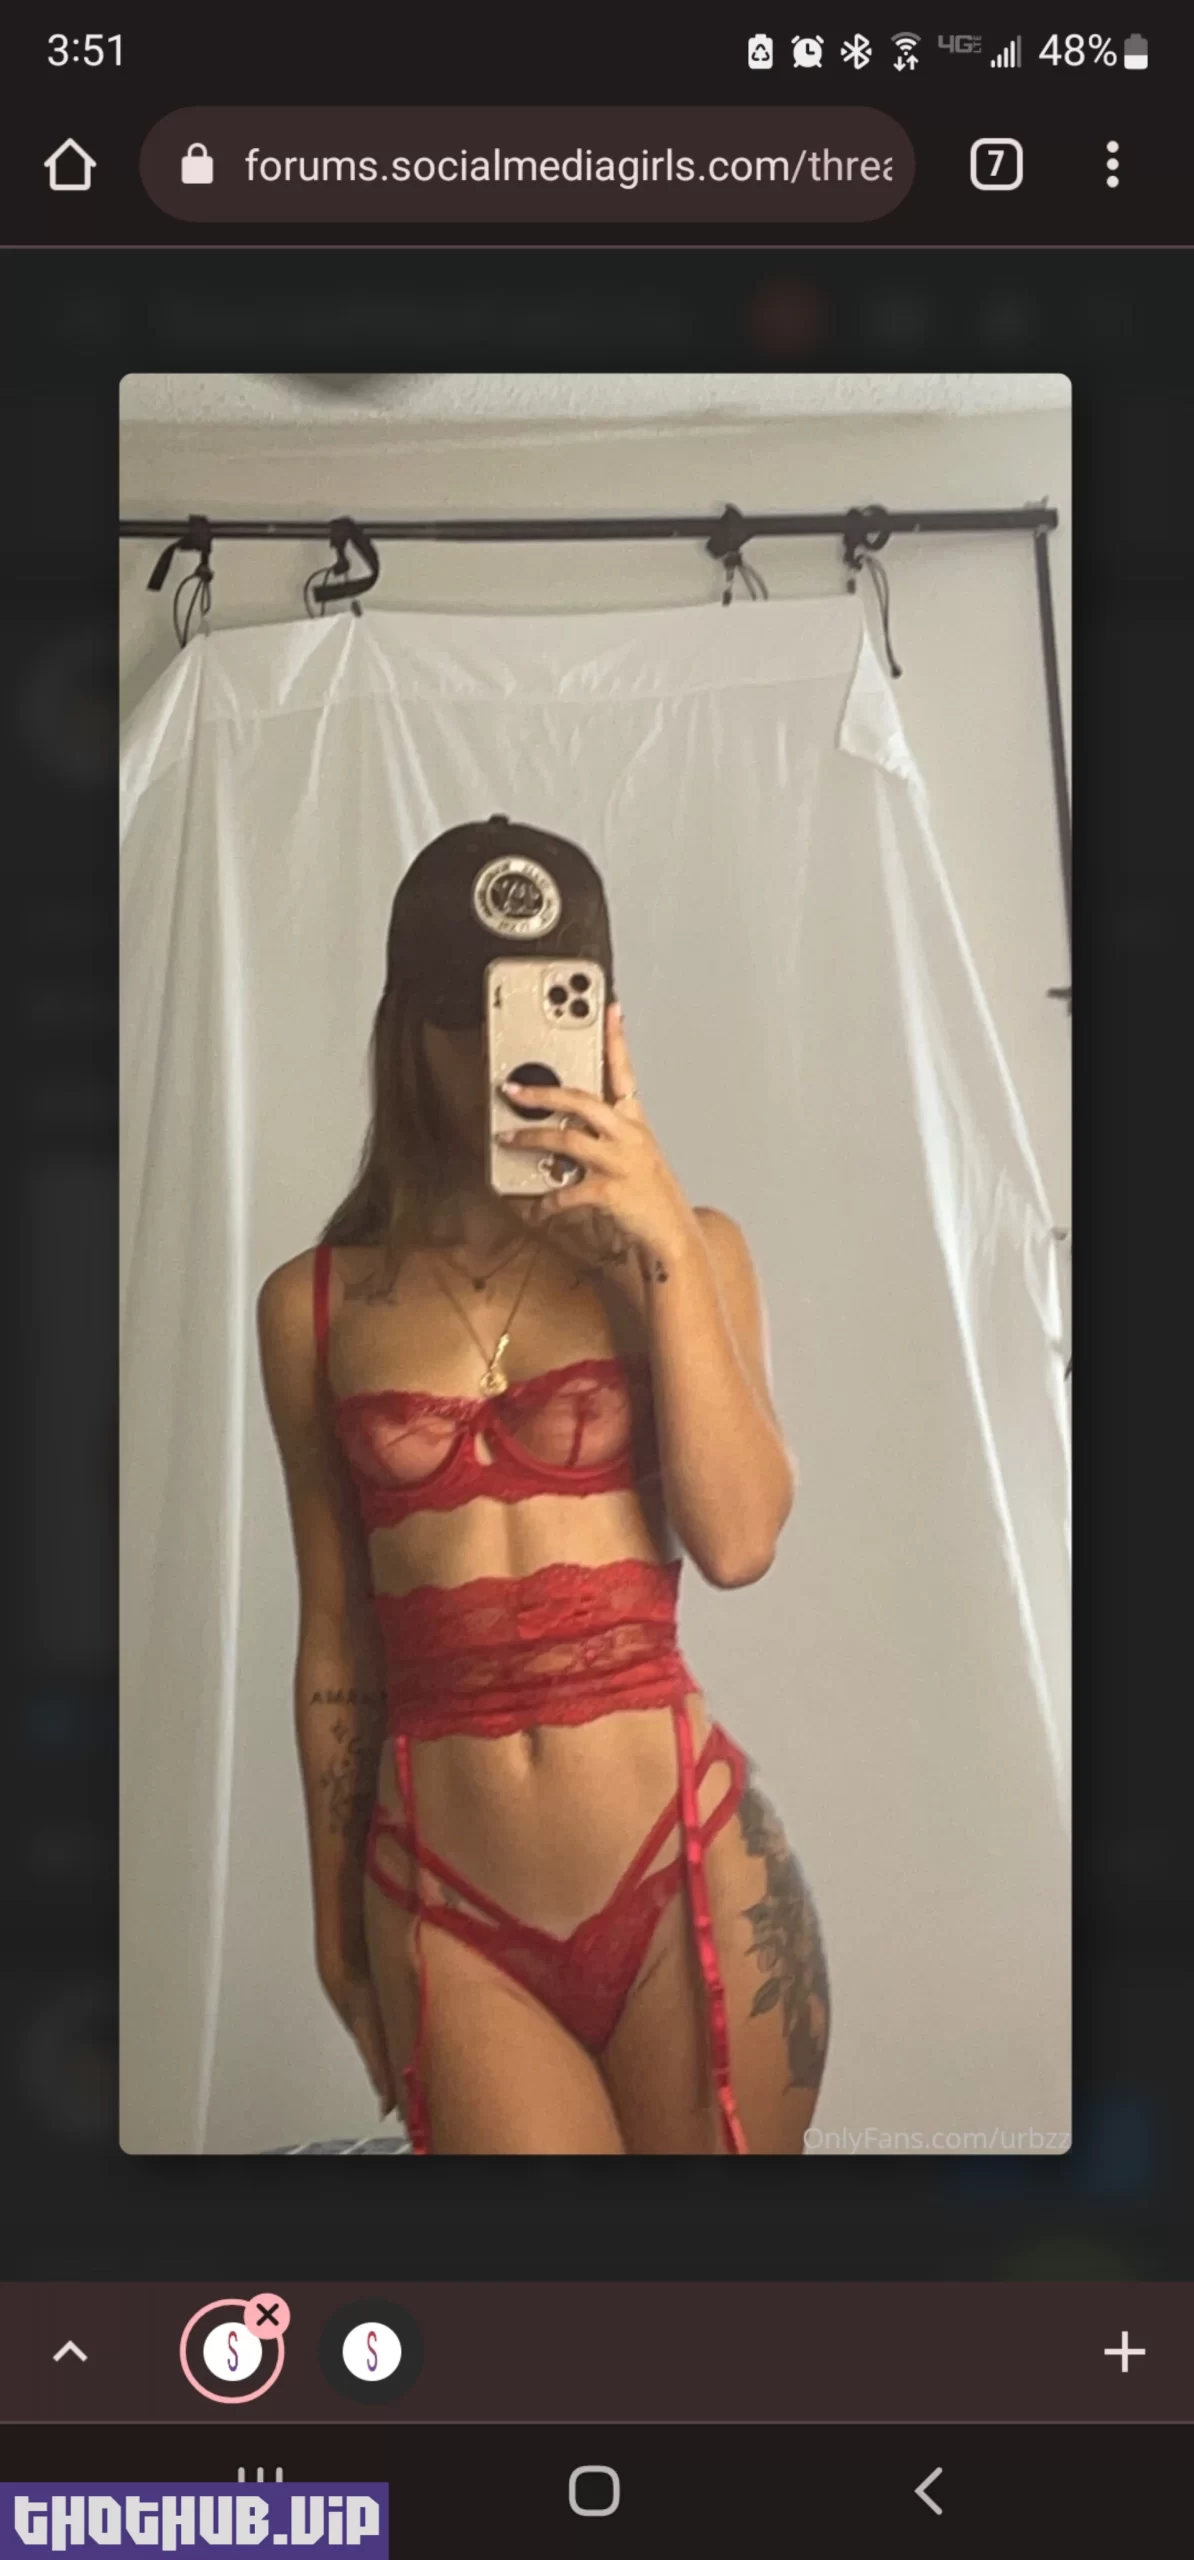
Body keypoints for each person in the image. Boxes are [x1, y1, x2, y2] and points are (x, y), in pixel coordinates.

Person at [257, 815, 829, 2154]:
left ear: (601, 1021)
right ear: (405, 1027)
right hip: (444, 1903)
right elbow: (337, 1632)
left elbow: (739, 1540)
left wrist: (655, 1234)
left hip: (685, 1868)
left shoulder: (690, 1250)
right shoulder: (314, 1304)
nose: (500, 1057)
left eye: (540, 1008)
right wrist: (334, 1918)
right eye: (466, 1015)